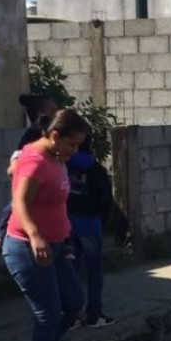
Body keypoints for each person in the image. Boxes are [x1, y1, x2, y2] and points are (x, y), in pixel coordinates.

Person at [3, 109, 90, 341]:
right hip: (28, 247)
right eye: (72, 144)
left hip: (55, 245)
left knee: (74, 301)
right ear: (55, 136)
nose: (75, 151)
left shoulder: (54, 157)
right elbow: (19, 203)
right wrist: (36, 236)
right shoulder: (37, 161)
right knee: (48, 313)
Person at [0, 94, 59, 255]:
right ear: (42, 112)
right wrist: (14, 165)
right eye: (53, 110)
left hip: (42, 179)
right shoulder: (35, 131)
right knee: (16, 204)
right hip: (28, 175)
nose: (57, 113)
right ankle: (0, 237)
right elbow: (18, 153)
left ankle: (65, 242)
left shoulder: (51, 134)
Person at [66, 140, 115, 329]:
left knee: (71, 271)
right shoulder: (96, 170)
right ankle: (93, 315)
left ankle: (71, 317)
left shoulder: (65, 167)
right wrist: (100, 221)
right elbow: (106, 200)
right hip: (91, 225)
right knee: (94, 272)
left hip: (68, 225)